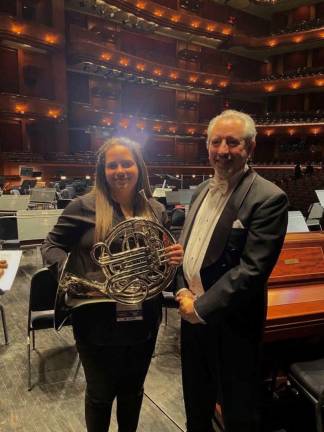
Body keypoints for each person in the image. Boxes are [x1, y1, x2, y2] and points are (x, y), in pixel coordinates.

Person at [41, 136, 183, 432]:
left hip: (143, 318)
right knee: (100, 395)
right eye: (112, 165)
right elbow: (51, 245)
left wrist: (172, 256)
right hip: (97, 321)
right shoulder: (83, 206)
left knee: (133, 392)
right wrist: (66, 273)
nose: (121, 170)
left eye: (127, 163)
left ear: (138, 167)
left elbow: (160, 257)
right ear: (103, 171)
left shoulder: (156, 210)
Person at [175, 110, 288, 432]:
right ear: (207, 146)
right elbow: (186, 251)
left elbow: (252, 270)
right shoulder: (199, 191)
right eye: (216, 141)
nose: (223, 150)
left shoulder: (268, 198)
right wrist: (182, 289)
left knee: (238, 414)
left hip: (233, 325)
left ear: (249, 148)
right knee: (196, 405)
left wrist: (200, 307)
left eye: (232, 142)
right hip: (191, 319)